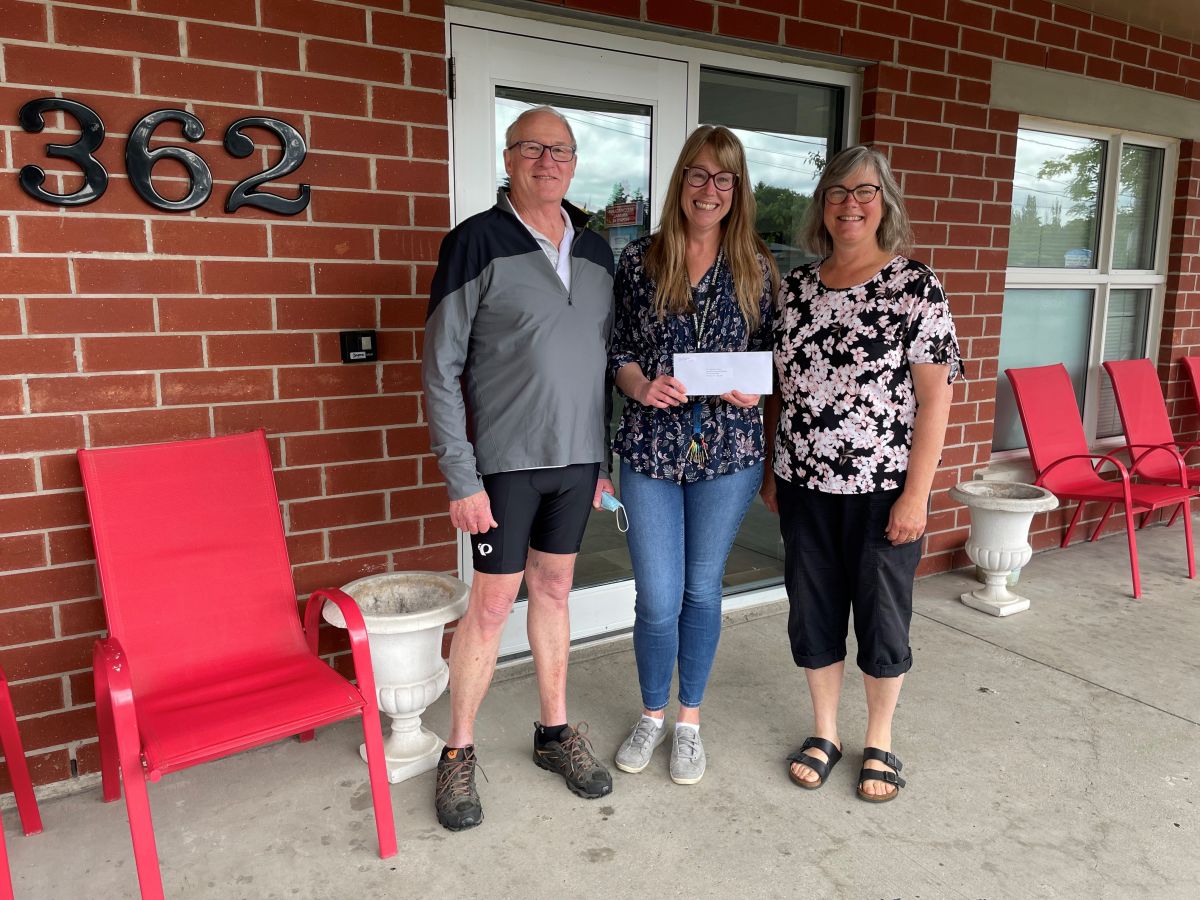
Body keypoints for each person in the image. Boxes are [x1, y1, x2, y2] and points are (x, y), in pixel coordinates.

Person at [421, 105, 616, 831]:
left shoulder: (598, 251)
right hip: (503, 464)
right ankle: (458, 752)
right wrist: (461, 477)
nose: (547, 160)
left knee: (556, 590)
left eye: (560, 149)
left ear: (574, 163)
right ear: (508, 158)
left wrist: (603, 461)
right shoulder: (475, 243)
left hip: (577, 461)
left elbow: (603, 363)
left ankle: (554, 734)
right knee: (494, 603)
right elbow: (440, 369)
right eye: (532, 147)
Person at [761, 145, 960, 802]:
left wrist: (916, 497)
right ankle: (825, 732)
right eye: (838, 191)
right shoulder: (794, 289)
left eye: (865, 191)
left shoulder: (914, 286)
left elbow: (937, 399)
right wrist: (772, 468)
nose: (850, 203)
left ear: (885, 203)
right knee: (813, 613)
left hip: (882, 492)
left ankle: (879, 739)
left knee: (881, 618)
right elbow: (778, 393)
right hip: (804, 486)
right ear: (823, 206)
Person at [609, 125, 778, 784]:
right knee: (657, 596)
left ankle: (688, 721)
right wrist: (641, 384)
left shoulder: (759, 268)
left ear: (737, 192)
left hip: (729, 452)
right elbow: (617, 350)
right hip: (651, 449)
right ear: (682, 181)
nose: (709, 190)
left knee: (701, 591)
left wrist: (751, 383)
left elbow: (776, 358)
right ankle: (651, 713)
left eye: (724, 179)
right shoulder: (640, 260)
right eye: (699, 175)